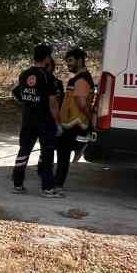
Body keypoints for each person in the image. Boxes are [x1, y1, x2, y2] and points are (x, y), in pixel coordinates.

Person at [12, 43, 62, 197]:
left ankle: (17, 184)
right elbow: (52, 102)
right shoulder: (47, 76)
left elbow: (18, 93)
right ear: (47, 57)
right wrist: (58, 123)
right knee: (47, 153)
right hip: (44, 121)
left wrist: (29, 103)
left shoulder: (24, 74)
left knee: (24, 149)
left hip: (28, 119)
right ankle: (47, 189)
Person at [53, 47, 95, 194]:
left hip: (74, 124)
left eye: (70, 60)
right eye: (67, 61)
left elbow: (82, 103)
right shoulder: (80, 78)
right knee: (62, 155)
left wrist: (90, 119)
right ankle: (57, 182)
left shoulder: (81, 79)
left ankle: (57, 185)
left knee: (63, 156)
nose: (68, 64)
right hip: (71, 123)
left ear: (80, 60)